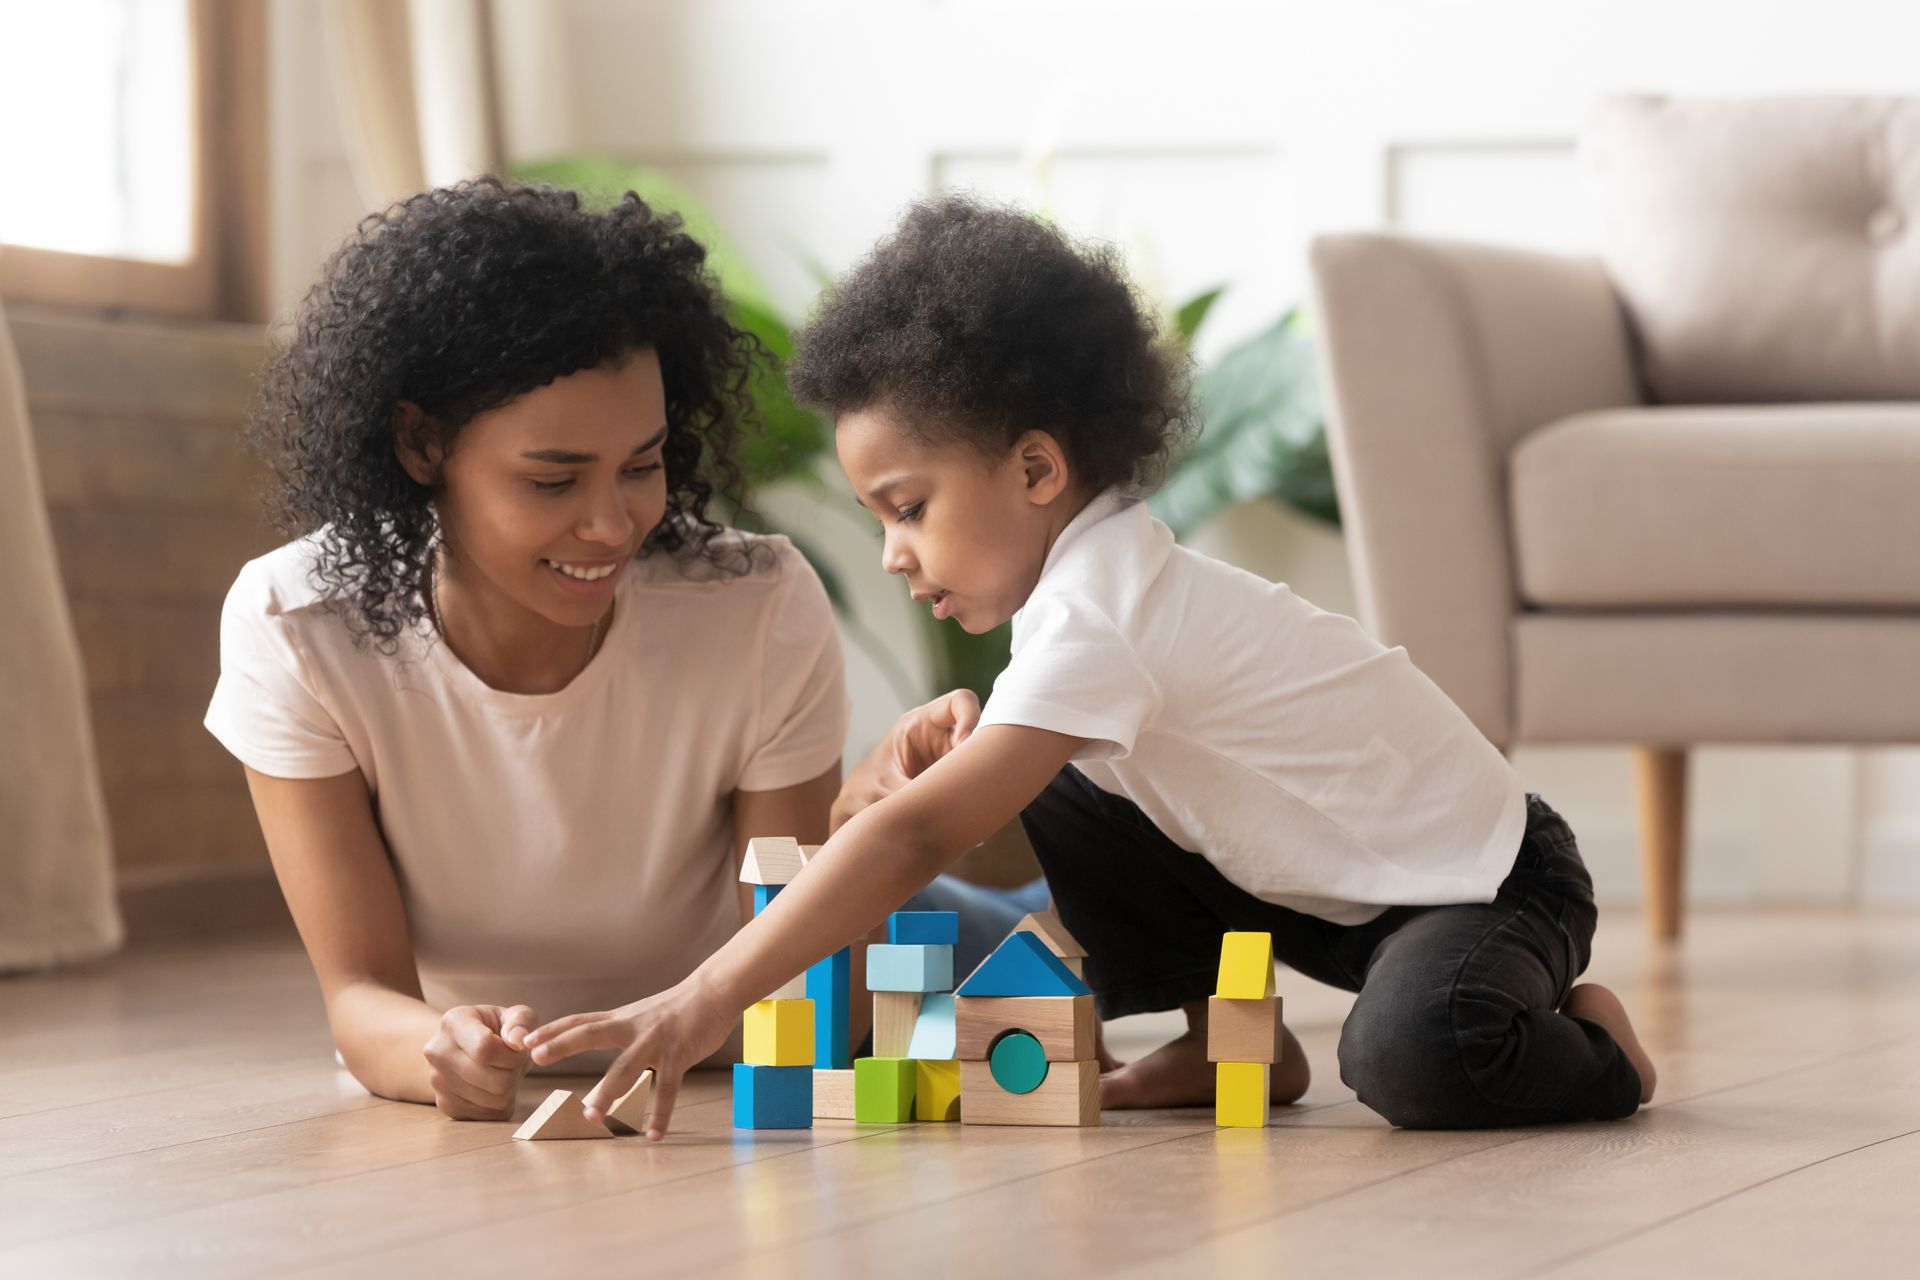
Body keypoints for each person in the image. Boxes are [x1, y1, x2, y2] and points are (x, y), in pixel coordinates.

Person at [524, 194, 1657, 1137]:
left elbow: (918, 836)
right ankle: (1227, 1043)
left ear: (1036, 467)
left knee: (1414, 1055)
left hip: (1486, 884)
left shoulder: (1105, 611)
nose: (890, 551)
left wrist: (702, 994)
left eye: (908, 507)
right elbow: (958, 806)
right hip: (1320, 887)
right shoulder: (1089, 597)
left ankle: (1597, 1047)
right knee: (1061, 767)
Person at [205, 179, 1037, 1123]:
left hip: (824, 973)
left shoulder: (749, 602)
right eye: (552, 480)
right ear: (420, 441)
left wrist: (848, 820)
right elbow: (360, 1000)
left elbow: (803, 966)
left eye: (642, 466)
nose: (610, 524)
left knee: (1070, 939)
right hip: (656, 1047)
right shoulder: (298, 625)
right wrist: (435, 1050)